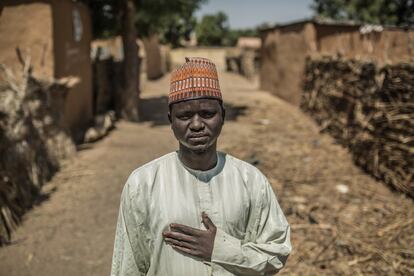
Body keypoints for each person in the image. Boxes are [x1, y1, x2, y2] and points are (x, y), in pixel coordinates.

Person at [111, 57, 291, 276]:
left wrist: (220, 249)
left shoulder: (251, 181)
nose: (196, 125)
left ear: (222, 116)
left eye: (207, 114)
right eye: (185, 116)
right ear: (171, 120)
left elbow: (277, 252)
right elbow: (127, 266)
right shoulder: (142, 184)